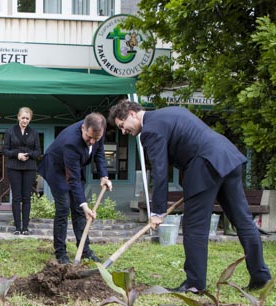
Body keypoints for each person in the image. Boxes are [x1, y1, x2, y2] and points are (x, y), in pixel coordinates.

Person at [108, 99, 271, 293]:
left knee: (194, 226)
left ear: (132, 114)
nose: (123, 132)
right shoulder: (170, 112)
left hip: (204, 164)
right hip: (227, 157)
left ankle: (194, 285)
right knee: (243, 221)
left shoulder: (150, 130)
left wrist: (157, 211)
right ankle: (261, 278)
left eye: (122, 125)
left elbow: (160, 172)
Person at [38, 113, 112, 265]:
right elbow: (73, 179)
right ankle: (61, 253)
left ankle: (84, 251)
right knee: (64, 208)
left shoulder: (98, 131)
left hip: (75, 167)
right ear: (83, 128)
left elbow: (99, 153)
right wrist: (84, 205)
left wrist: (104, 176)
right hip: (57, 169)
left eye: (96, 139)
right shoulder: (71, 142)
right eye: (89, 138)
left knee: (78, 210)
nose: (92, 142)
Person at [3, 107, 41, 235]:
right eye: (23, 118)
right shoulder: (10, 132)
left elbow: (38, 151)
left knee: (26, 198)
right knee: (16, 197)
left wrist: (29, 154)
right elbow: (5, 150)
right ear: (18, 117)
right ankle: (17, 228)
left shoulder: (34, 133)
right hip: (14, 167)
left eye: (27, 118)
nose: (25, 120)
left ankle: (25, 227)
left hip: (29, 167)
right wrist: (17, 154)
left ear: (30, 119)